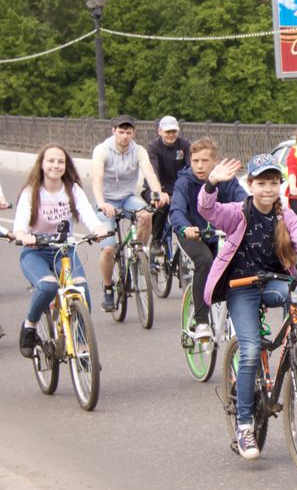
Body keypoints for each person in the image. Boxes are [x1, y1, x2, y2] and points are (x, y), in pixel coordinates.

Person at [198, 153, 297, 460]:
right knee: (250, 350)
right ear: (250, 185)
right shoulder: (237, 212)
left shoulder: (286, 216)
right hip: (242, 286)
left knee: (296, 291)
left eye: (273, 183)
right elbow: (208, 210)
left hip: (275, 281)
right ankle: (245, 425)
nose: (267, 189)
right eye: (261, 183)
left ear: (280, 185)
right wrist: (211, 183)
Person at [14, 145, 108, 357]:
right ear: (42, 164)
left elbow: (87, 214)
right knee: (48, 286)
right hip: (35, 252)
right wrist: (24, 235)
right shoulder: (32, 192)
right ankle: (30, 324)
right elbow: (19, 224)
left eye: (60, 162)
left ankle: (82, 344)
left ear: (66, 166)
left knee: (81, 288)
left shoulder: (72, 190)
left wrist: (98, 228)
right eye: (51, 161)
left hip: (64, 251)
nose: (56, 165)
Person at [170, 138, 246, 340]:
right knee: (205, 261)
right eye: (195, 161)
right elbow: (176, 210)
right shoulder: (184, 182)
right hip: (192, 234)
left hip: (218, 235)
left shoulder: (226, 180)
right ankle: (201, 321)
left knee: (239, 262)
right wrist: (185, 228)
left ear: (215, 161)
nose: (200, 166)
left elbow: (243, 200)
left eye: (205, 160)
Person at [92, 114, 167, 312]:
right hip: (106, 201)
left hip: (126, 198)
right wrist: (101, 203)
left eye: (129, 132)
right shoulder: (102, 150)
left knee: (146, 215)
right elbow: (97, 178)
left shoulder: (138, 151)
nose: (125, 136)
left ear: (134, 133)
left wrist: (157, 192)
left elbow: (149, 173)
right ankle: (108, 288)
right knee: (108, 249)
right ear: (113, 131)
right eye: (121, 131)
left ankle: (138, 251)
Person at [143, 115, 191, 259]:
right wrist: (159, 191)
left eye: (173, 132)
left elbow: (190, 168)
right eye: (167, 132)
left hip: (177, 189)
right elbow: (153, 170)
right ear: (160, 131)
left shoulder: (184, 145)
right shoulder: (153, 147)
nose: (171, 135)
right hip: (156, 188)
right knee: (160, 204)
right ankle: (156, 241)